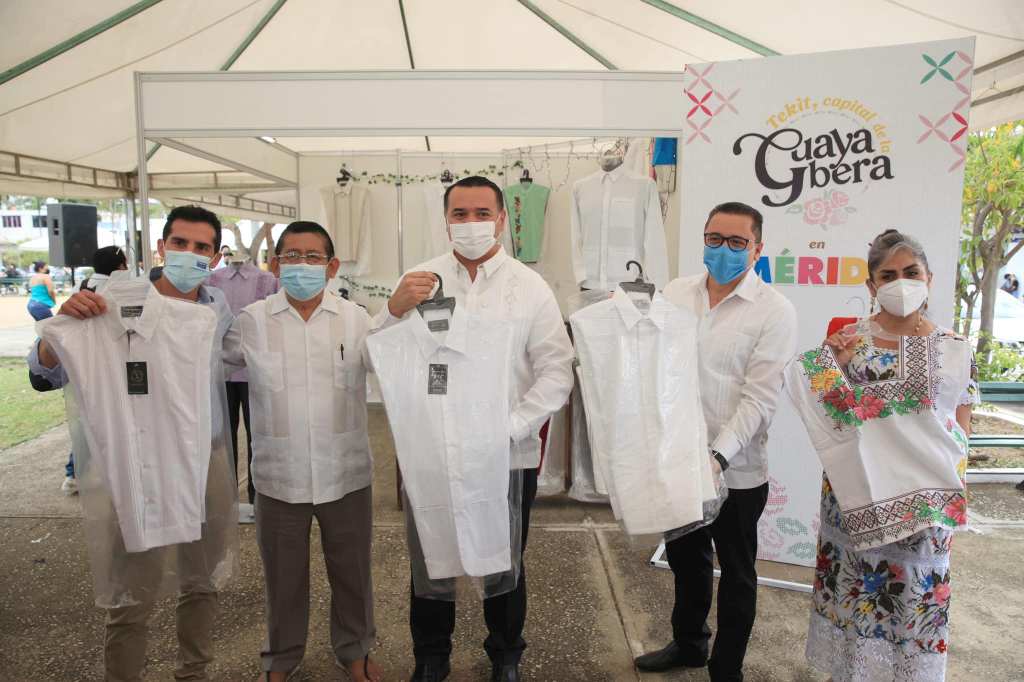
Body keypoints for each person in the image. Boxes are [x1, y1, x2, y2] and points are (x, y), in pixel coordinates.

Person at [377, 176, 574, 682]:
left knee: (503, 560)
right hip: (433, 451)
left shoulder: (528, 287)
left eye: (482, 213)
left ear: (502, 219)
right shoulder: (419, 280)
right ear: (445, 221)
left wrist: (510, 427)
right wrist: (392, 310)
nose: (470, 223)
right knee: (430, 555)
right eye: (459, 214)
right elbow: (379, 356)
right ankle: (431, 656)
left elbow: (556, 370)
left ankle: (505, 655)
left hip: (505, 454)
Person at [28, 205, 237, 681]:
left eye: (201, 247)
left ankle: (194, 672)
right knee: (131, 590)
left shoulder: (217, 307)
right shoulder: (110, 302)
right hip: (137, 461)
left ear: (215, 256)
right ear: (161, 247)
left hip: (205, 457)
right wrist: (56, 332)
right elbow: (44, 373)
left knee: (202, 578)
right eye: (180, 243)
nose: (189, 253)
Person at [795, 229, 978, 681]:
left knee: (913, 601)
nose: (901, 282)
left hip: (926, 505)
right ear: (872, 285)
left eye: (911, 272)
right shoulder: (849, 341)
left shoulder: (955, 348)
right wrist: (831, 364)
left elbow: (962, 424)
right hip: (858, 501)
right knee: (858, 594)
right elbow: (822, 409)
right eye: (888, 275)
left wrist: (956, 491)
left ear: (929, 278)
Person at [636, 202, 797, 681]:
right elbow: (656, 364)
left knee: (737, 572)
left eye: (736, 242)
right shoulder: (675, 294)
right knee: (686, 562)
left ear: (757, 249)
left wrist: (718, 456)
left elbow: (759, 398)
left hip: (738, 470)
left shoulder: (774, 311)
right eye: (714, 239)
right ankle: (689, 645)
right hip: (678, 460)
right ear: (703, 239)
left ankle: (727, 669)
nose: (723, 249)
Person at [223, 221, 381, 682]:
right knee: (282, 577)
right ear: (275, 265)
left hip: (346, 472)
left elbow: (395, 364)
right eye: (292, 256)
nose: (302, 265)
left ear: (332, 267)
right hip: (279, 476)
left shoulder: (357, 320)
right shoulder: (251, 322)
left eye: (313, 257)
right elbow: (203, 361)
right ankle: (281, 658)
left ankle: (355, 650)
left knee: (352, 573)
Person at [53, 246, 130, 495]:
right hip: (111, 365)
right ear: (121, 266)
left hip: (81, 364)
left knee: (83, 423)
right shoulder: (124, 288)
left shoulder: (81, 286)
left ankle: (73, 474)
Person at [210, 250, 279, 523]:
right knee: (222, 438)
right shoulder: (212, 280)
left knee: (257, 435)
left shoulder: (267, 280)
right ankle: (225, 499)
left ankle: (257, 496)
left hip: (254, 370)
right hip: (222, 369)